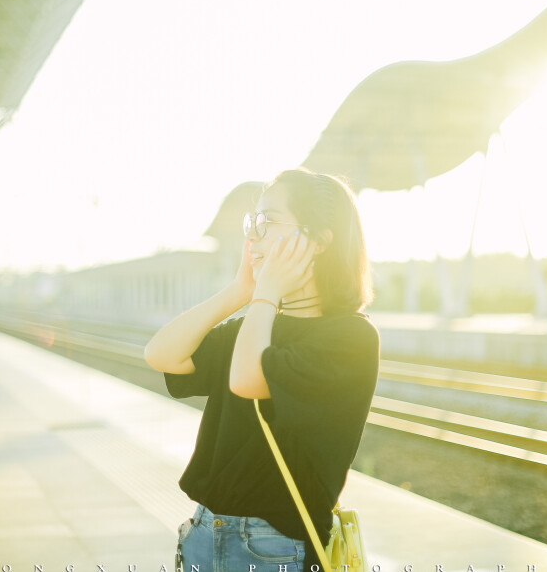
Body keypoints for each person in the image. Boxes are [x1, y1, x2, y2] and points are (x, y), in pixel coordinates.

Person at [144, 169, 379, 572]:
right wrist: (241, 291)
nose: (252, 237)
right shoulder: (255, 322)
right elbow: (161, 354)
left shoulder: (350, 337)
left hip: (274, 546)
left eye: (266, 222)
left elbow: (247, 380)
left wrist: (266, 294)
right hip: (203, 530)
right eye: (251, 223)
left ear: (319, 241)